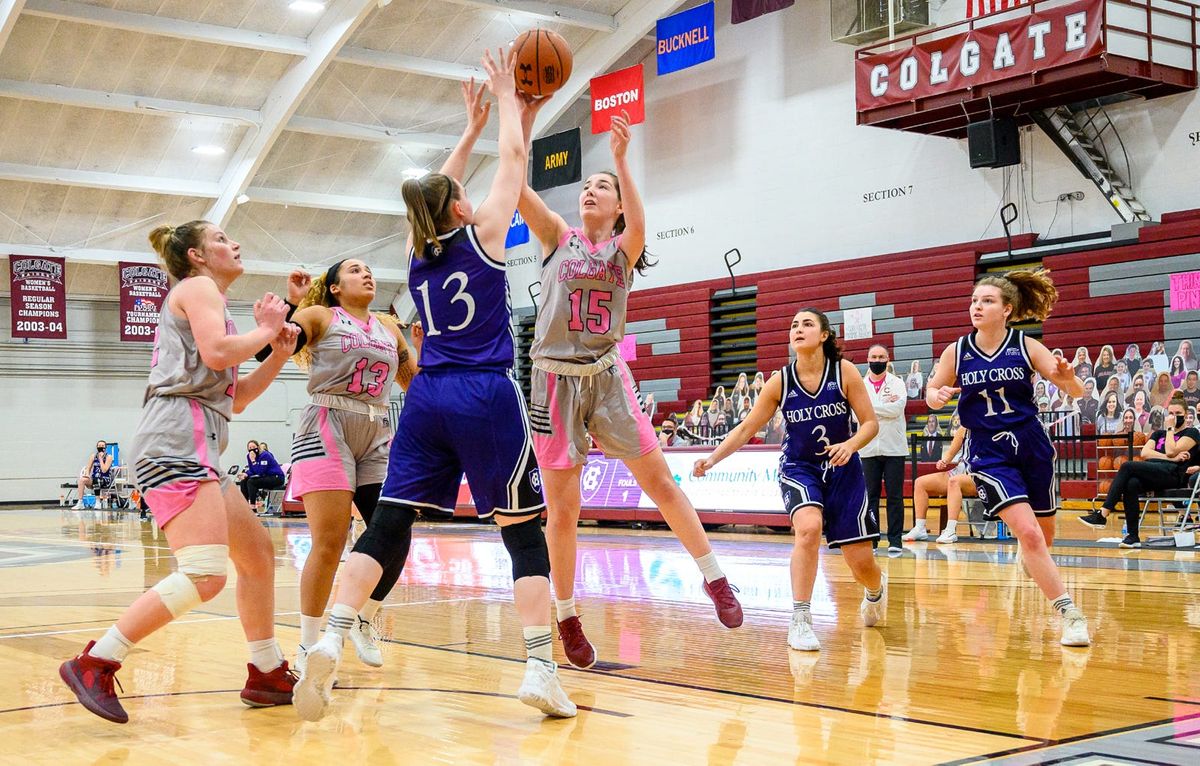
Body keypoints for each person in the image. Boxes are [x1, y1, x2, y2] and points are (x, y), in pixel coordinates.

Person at [294, 49, 575, 721]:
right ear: (457, 206)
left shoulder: (420, 254)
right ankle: (540, 666)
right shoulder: (482, 237)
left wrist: (473, 128)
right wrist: (508, 104)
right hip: (484, 392)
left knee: (390, 522)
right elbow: (513, 164)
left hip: (425, 400)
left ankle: (332, 632)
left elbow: (437, 190)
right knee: (523, 533)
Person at [515, 100, 744, 671]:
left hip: (607, 377)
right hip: (552, 383)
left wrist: (622, 158)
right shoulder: (556, 238)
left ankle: (715, 579)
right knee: (563, 510)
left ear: (617, 208)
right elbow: (515, 183)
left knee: (661, 482)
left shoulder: (623, 248)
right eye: (586, 186)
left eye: (602, 187)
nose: (589, 192)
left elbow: (642, 224)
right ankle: (566, 614)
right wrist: (519, 121)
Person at [58, 221, 300, 724]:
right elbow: (215, 355)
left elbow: (236, 399)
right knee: (206, 574)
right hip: (175, 440)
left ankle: (266, 671)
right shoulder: (196, 288)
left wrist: (276, 353)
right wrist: (269, 329)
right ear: (196, 255)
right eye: (221, 239)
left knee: (256, 556)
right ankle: (95, 662)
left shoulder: (215, 304)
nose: (234, 243)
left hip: (200, 439)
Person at [694, 308, 886, 652]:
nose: (798, 329)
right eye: (794, 325)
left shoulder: (843, 372)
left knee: (862, 565)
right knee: (808, 528)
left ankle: (875, 590)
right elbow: (746, 429)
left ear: (824, 335)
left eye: (807, 324)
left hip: (844, 469)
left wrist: (851, 444)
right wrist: (711, 458)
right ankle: (800, 619)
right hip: (799, 468)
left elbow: (870, 423)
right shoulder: (781, 380)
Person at [926, 268, 1091, 647]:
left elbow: (1077, 391)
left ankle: (1030, 553)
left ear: (1007, 309)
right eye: (974, 300)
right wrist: (936, 396)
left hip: (1031, 443)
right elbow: (933, 389)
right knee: (1030, 533)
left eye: (986, 301)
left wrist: (1066, 376)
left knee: (1042, 537)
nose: (977, 307)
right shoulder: (958, 349)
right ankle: (1071, 614)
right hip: (987, 450)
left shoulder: (1026, 345)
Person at [271, 256, 419, 677]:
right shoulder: (320, 315)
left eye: (369, 269)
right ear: (335, 287)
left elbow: (413, 382)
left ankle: (362, 617)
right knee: (331, 540)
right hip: (327, 422)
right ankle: (306, 644)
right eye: (354, 270)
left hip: (375, 425)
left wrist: (423, 349)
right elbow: (282, 343)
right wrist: (292, 306)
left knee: (395, 531)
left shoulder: (389, 327)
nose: (367, 273)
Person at [1078, 395, 1200, 546]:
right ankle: (1133, 536)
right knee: (1131, 483)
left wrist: (1170, 429)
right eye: (1171, 413)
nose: (1173, 417)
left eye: (1177, 414)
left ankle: (1103, 513)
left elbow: (1170, 449)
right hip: (1155, 470)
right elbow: (1145, 453)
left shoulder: (1192, 433)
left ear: (1186, 414)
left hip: (1173, 474)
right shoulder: (1158, 434)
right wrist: (1172, 458)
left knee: (1127, 466)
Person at [859, 344, 908, 555]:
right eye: (873, 356)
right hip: (868, 448)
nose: (877, 360)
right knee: (871, 497)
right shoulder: (859, 385)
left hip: (894, 449)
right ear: (867, 359)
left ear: (888, 360)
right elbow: (855, 414)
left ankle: (895, 540)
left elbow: (897, 409)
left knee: (895, 496)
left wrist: (869, 409)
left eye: (881, 357)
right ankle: (873, 540)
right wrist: (880, 409)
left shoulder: (897, 383)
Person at [902, 426, 976, 544]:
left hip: (979, 474)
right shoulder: (964, 429)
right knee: (920, 483)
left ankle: (950, 530)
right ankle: (920, 528)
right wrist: (944, 461)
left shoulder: (993, 427)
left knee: (954, 482)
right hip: (961, 469)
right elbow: (951, 452)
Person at [240, 439, 285, 508]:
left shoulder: (265, 455)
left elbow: (260, 471)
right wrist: (246, 474)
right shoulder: (249, 456)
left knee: (251, 482)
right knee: (244, 481)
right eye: (250, 448)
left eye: (253, 447)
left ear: (258, 447)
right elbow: (252, 470)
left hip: (276, 477)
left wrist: (253, 460)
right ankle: (245, 505)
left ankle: (253, 506)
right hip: (266, 476)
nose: (252, 450)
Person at [73, 440, 115, 509]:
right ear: (97, 447)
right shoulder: (93, 456)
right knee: (82, 480)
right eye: (99, 446)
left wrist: (101, 459)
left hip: (105, 479)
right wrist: (87, 475)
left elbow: (104, 470)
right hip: (94, 478)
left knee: (96, 479)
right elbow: (88, 468)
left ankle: (98, 502)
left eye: (102, 446)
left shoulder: (109, 457)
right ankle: (80, 502)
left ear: (105, 447)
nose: (100, 447)